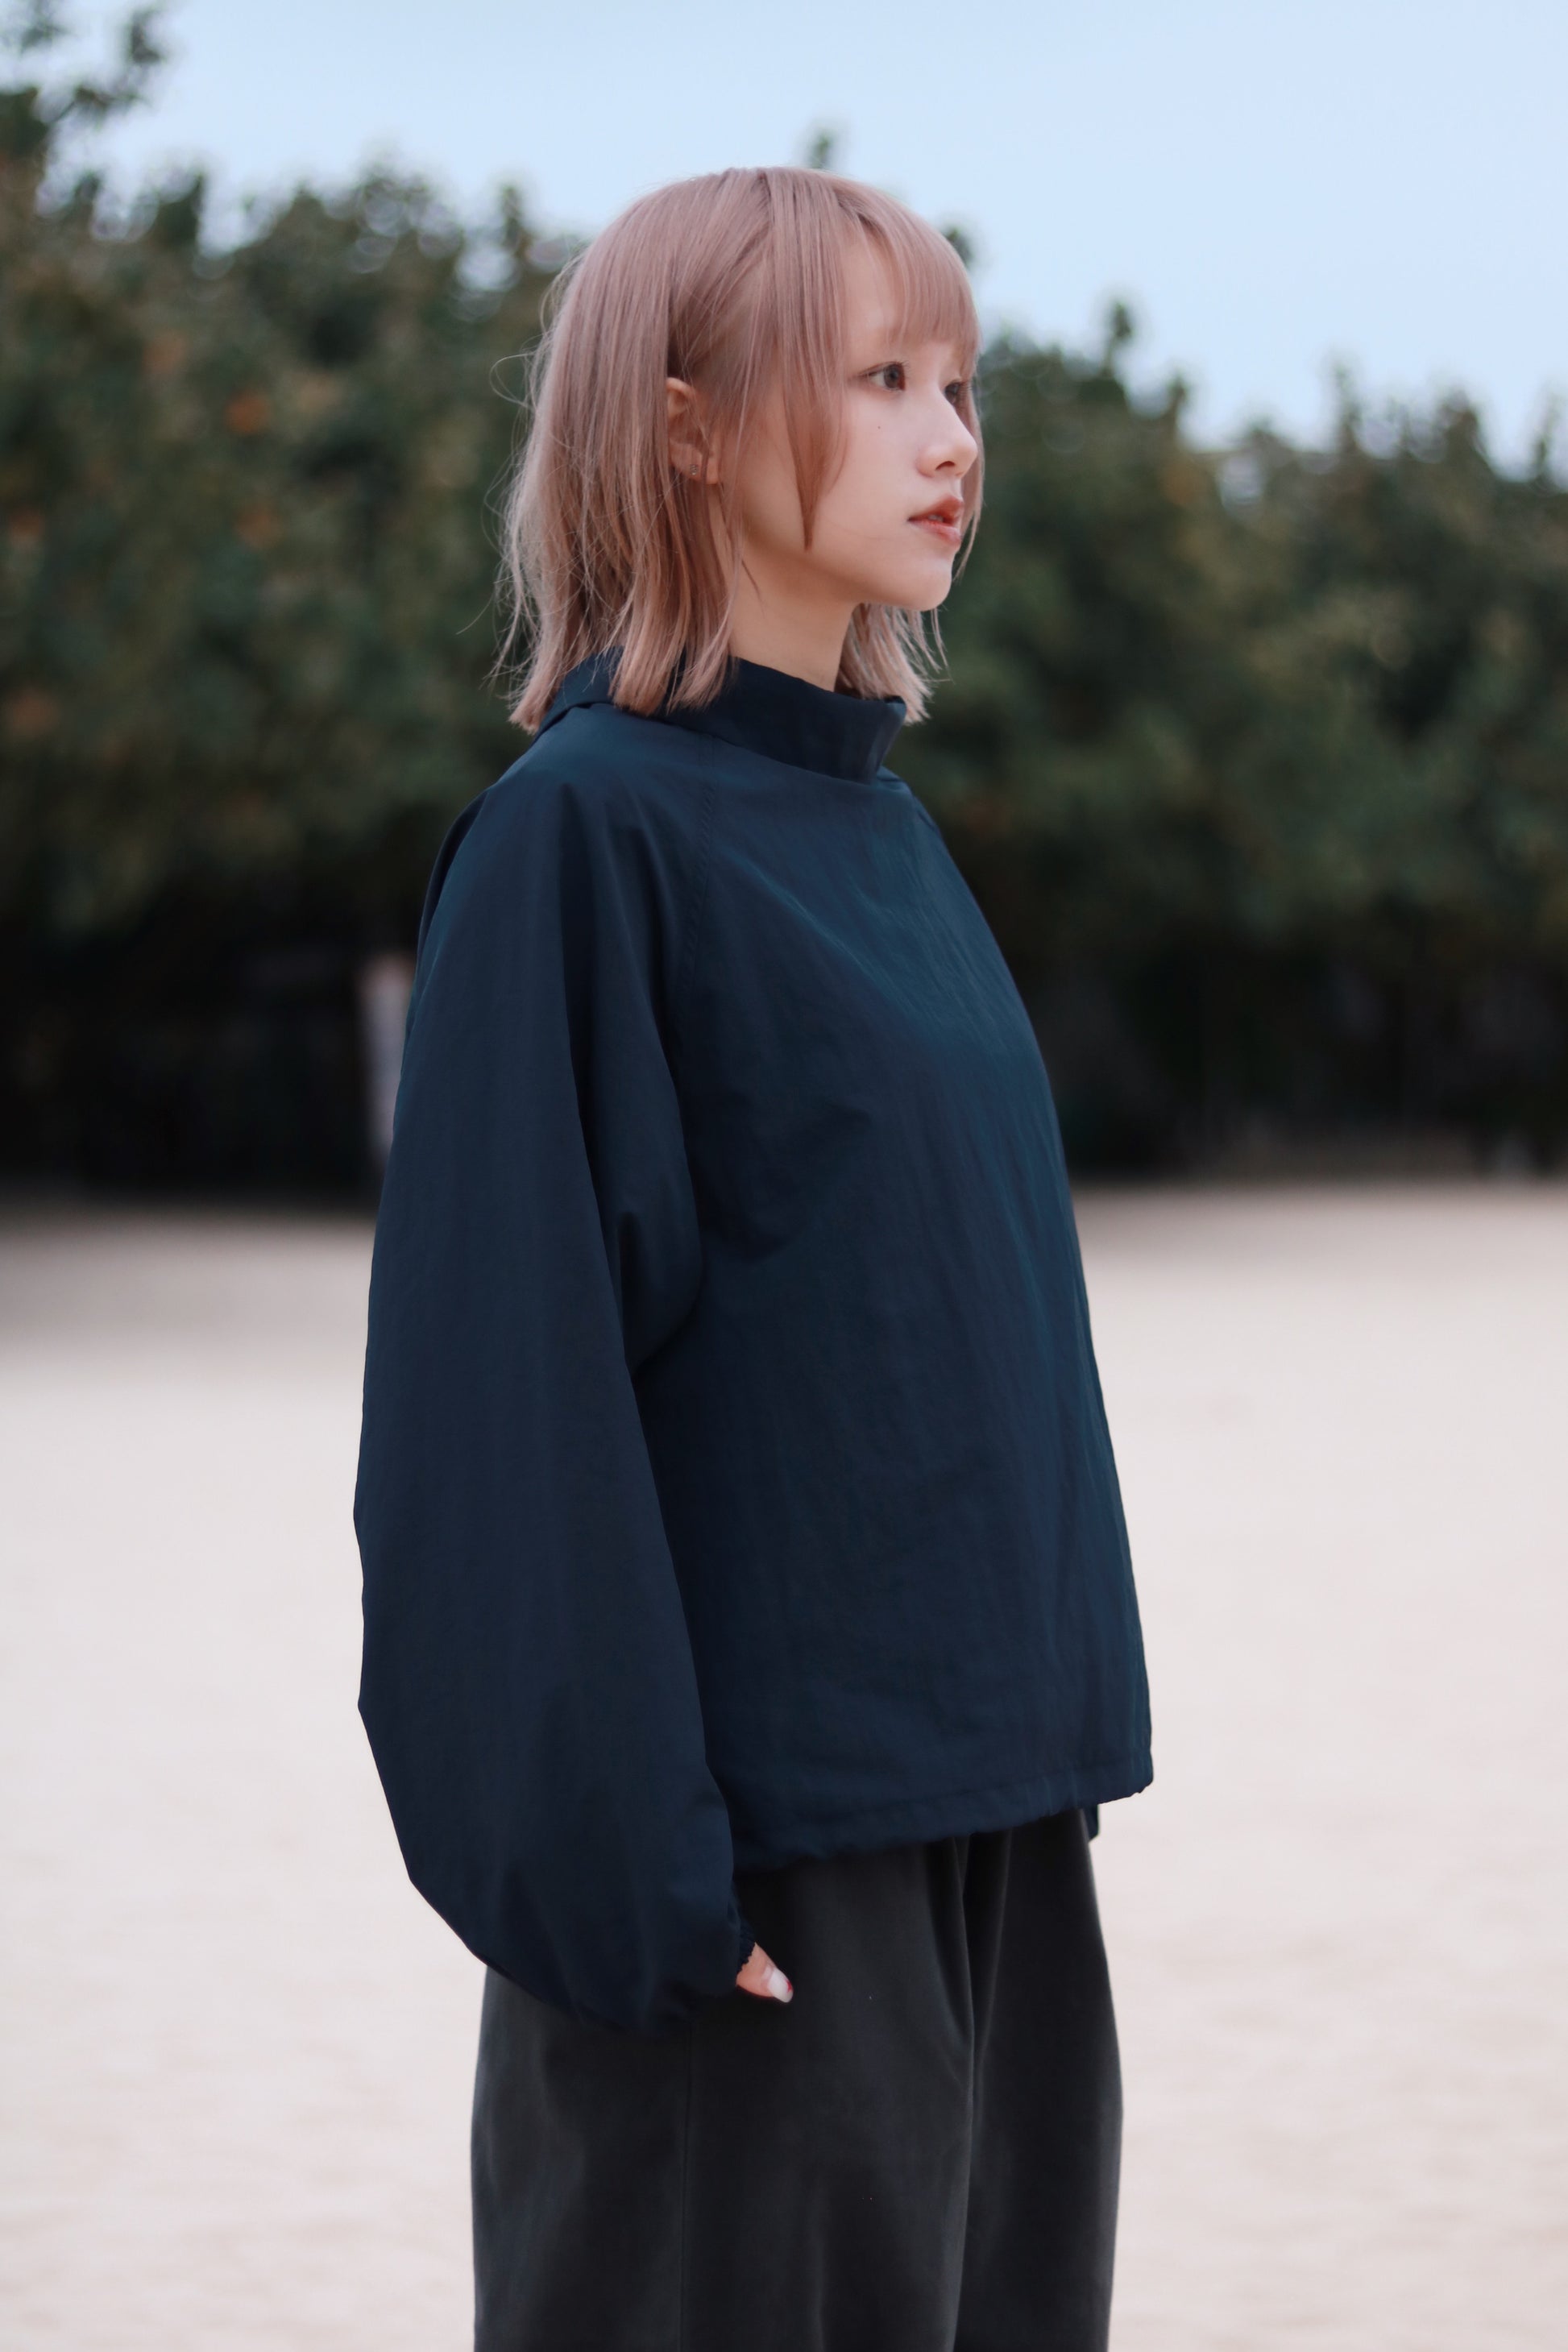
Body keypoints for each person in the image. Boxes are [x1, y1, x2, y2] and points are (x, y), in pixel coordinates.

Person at [354, 164, 1151, 2352]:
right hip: (750, 1885)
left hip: (988, 1846)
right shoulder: (581, 836)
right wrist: (632, 1887)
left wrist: (1032, 1795)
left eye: (958, 384)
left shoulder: (887, 834)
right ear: (688, 429)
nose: (950, 438)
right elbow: (496, 1424)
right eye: (880, 379)